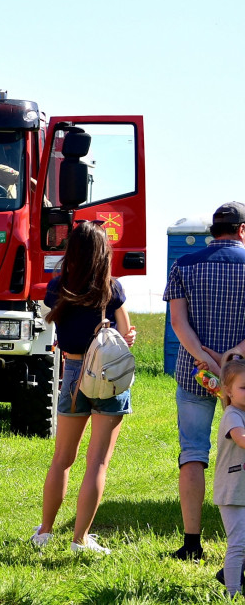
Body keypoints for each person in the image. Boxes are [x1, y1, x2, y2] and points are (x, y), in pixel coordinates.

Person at [31, 221, 136, 554]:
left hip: (74, 373)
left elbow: (60, 322)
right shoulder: (113, 289)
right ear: (104, 252)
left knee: (62, 459)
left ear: (72, 251)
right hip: (108, 377)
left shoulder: (57, 287)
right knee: (97, 463)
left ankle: (45, 533)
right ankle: (80, 540)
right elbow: (125, 336)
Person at [164, 201, 245, 561]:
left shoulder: (183, 265)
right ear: (242, 230)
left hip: (194, 373)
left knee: (193, 454)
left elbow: (179, 324)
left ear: (214, 230)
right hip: (242, 378)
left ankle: (192, 542)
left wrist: (206, 358)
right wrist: (232, 357)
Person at [215, 357, 245, 597]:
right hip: (232, 491)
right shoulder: (233, 415)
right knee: (238, 544)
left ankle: (229, 575)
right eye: (243, 388)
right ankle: (232, 593)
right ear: (228, 391)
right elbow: (240, 439)